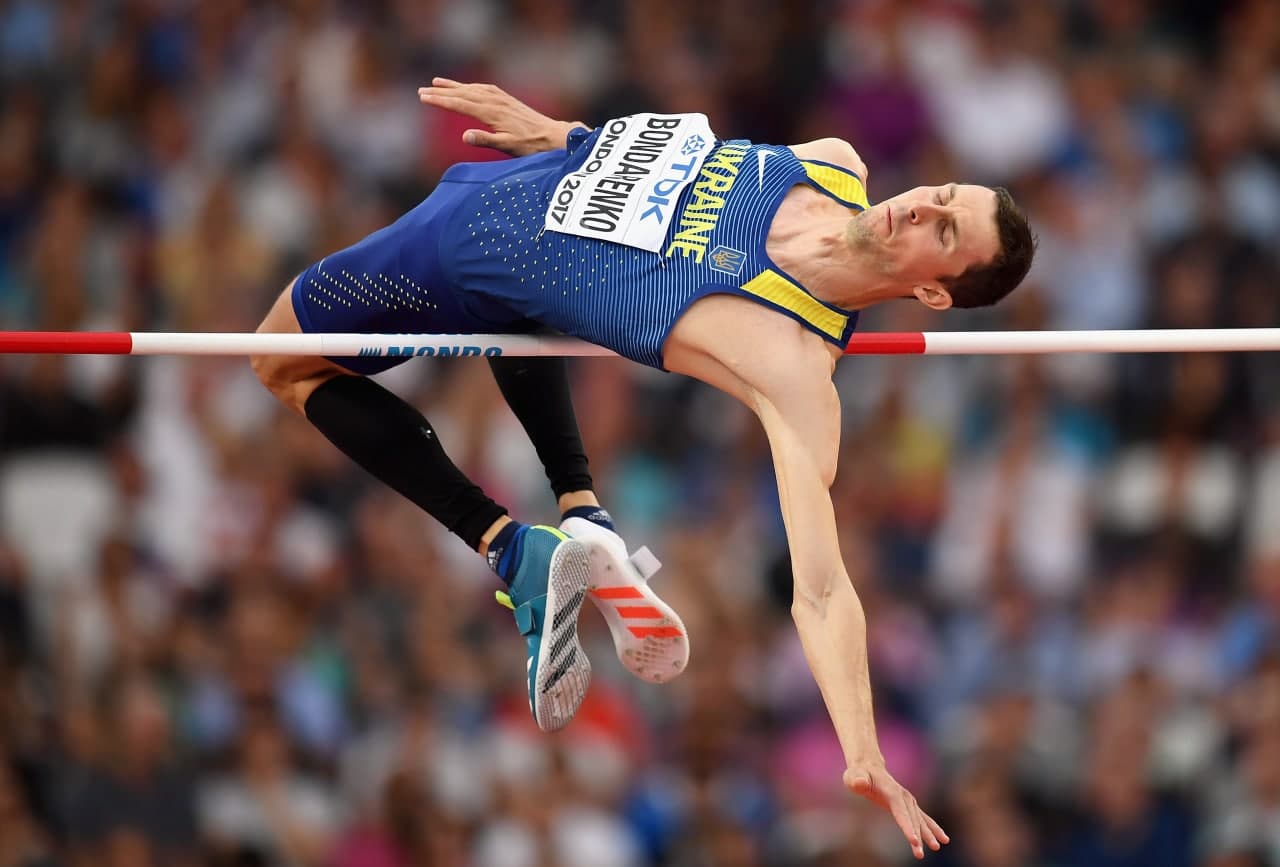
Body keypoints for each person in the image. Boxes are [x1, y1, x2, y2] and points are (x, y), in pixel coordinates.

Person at [252, 78, 1036, 860]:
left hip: (451, 255)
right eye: (940, 196)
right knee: (528, 313)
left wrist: (863, 750)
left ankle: (510, 543)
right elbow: (666, 167)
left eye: (943, 231)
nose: (919, 208)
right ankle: (581, 515)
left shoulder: (791, 363)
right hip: (516, 187)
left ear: (932, 291)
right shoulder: (832, 163)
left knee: (281, 360)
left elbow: (823, 588)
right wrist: (561, 133)